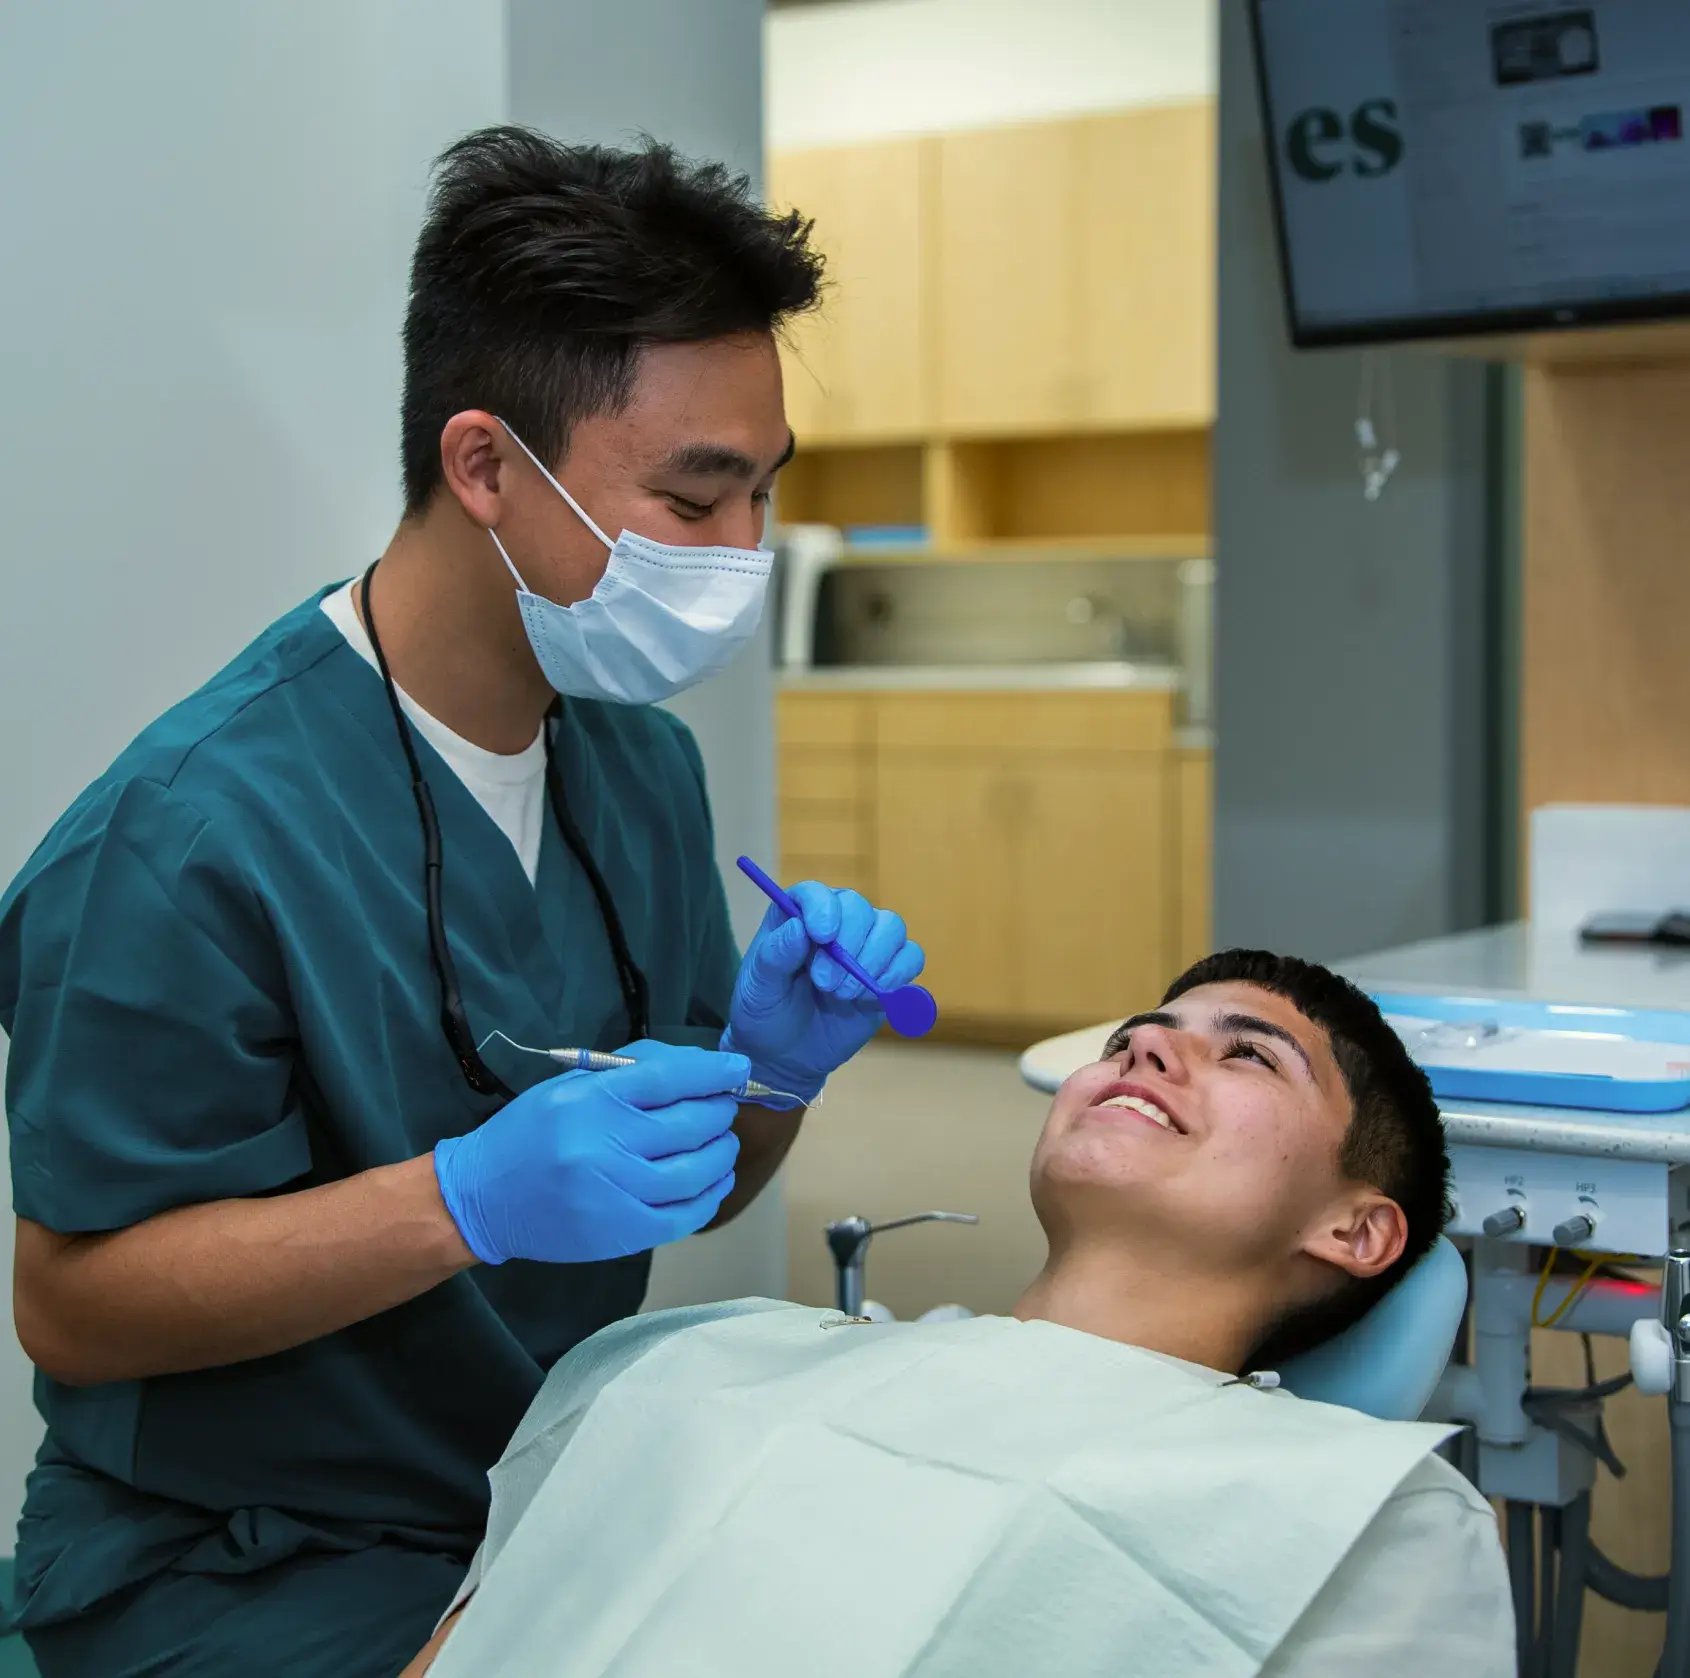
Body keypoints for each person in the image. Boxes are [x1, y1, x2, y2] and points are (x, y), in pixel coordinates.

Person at [0, 128, 925, 1676]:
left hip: (547, 1485)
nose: (741, 556)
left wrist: (772, 1070)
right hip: (242, 1556)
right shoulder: (187, 835)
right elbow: (76, 1309)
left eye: (765, 495)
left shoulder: (637, 767)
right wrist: (458, 1200)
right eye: (695, 502)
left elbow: (688, 1188)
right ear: (485, 463)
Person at [403, 951, 1513, 1678]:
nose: (1141, 1047)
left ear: (1355, 1230)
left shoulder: (1362, 1521)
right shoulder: (701, 1355)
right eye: (1138, 1033)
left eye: (1246, 1054)